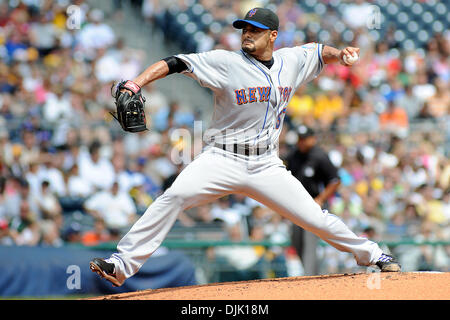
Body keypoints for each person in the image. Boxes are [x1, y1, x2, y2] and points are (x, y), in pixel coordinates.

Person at [90, 8, 400, 287]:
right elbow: (176, 62)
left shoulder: (291, 61)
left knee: (314, 218)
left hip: (266, 164)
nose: (247, 34)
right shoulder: (226, 62)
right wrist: (136, 83)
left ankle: (373, 254)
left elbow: (319, 52)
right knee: (175, 196)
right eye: (244, 29)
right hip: (222, 158)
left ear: (273, 35)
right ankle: (121, 264)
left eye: (254, 29)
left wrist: (341, 54)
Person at [285, 125, 341, 275]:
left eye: (305, 139)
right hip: (296, 206)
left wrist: (321, 198)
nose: (302, 142)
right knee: (296, 240)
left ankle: (310, 277)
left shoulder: (319, 155)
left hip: (314, 204)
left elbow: (335, 180)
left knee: (309, 241)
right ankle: (313, 274)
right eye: (300, 139)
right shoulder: (293, 155)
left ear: (312, 139)